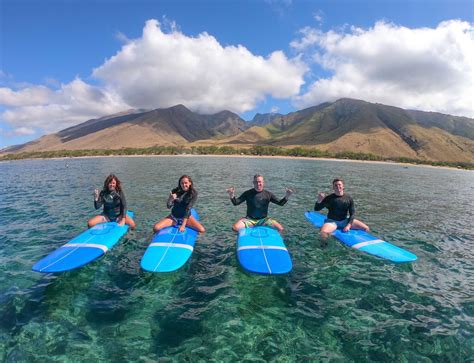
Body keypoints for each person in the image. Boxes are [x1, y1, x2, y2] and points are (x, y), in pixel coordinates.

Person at [227, 174, 293, 233]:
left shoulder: (268, 194)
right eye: (256, 182)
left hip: (264, 220)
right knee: (235, 228)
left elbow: (280, 203)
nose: (258, 184)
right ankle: (245, 237)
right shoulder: (248, 193)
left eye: (260, 182)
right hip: (249, 220)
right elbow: (236, 203)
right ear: (253, 183)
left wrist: (287, 195)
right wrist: (231, 195)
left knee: (280, 229)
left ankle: (277, 242)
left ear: (263, 182)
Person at [314, 178, 369, 245]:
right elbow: (316, 209)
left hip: (345, 221)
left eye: (339, 184)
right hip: (332, 222)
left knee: (366, 228)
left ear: (343, 186)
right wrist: (319, 200)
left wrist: (348, 225)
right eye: (335, 185)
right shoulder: (329, 198)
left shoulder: (349, 198)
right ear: (333, 187)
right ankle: (324, 247)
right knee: (323, 232)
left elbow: (352, 214)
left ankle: (363, 242)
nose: (338, 186)